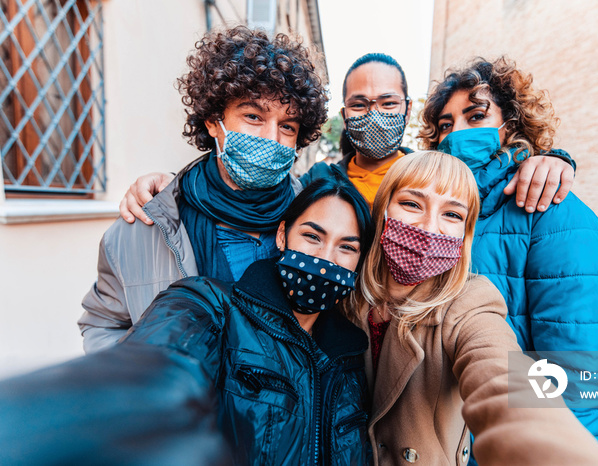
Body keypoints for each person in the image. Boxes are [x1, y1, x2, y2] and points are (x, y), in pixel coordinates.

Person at [1, 177, 373, 465]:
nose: (326, 258)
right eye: (312, 236)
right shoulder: (212, 306)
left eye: (347, 246)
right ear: (282, 235)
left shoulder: (354, 357)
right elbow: (161, 361)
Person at [350, 150, 598, 465]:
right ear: (383, 212)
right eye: (411, 204)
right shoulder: (349, 294)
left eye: (452, 215)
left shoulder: (469, 302)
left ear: (465, 233)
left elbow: (501, 379)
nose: (430, 226)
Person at [78, 26, 328, 353]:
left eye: (287, 126)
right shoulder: (145, 226)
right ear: (213, 121)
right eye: (253, 116)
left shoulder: (315, 221)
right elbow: (103, 325)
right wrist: (148, 387)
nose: (271, 138)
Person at [118, 53, 576, 219]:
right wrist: (165, 183)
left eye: (388, 103)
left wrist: (551, 158)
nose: (373, 115)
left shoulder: (437, 179)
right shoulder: (315, 183)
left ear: (407, 110)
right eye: (360, 104)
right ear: (343, 113)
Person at [419, 56, 598, 443]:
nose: (456, 133)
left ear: (511, 126)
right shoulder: (438, 208)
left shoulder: (554, 213)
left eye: (475, 117)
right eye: (445, 125)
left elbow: (577, 369)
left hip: (503, 435)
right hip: (438, 432)